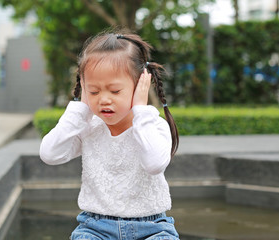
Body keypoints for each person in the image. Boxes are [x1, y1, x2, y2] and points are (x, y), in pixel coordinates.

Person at [39, 30, 180, 240]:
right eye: (94, 91)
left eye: (115, 91)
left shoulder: (153, 126)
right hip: (95, 228)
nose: (104, 99)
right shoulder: (89, 127)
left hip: (152, 228)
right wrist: (81, 109)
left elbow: (154, 164)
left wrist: (140, 109)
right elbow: (50, 154)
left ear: (140, 85)